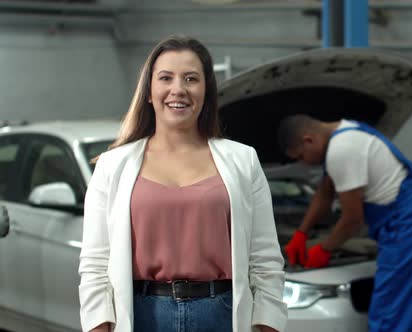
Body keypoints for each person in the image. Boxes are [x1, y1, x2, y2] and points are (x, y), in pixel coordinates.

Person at [78, 35, 287, 332]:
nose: (178, 89)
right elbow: (95, 264)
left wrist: (268, 324)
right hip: (141, 316)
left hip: (222, 316)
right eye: (166, 78)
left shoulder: (243, 160)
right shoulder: (113, 166)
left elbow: (265, 259)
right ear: (149, 91)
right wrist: (99, 325)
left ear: (206, 91)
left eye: (191, 79)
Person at [277, 114, 412, 332]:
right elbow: (324, 194)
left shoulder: (342, 150)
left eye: (301, 156)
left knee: (391, 313)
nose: (303, 163)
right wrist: (301, 234)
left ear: (308, 140)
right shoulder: (347, 130)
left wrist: (325, 249)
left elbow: (353, 219)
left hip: (410, 225)